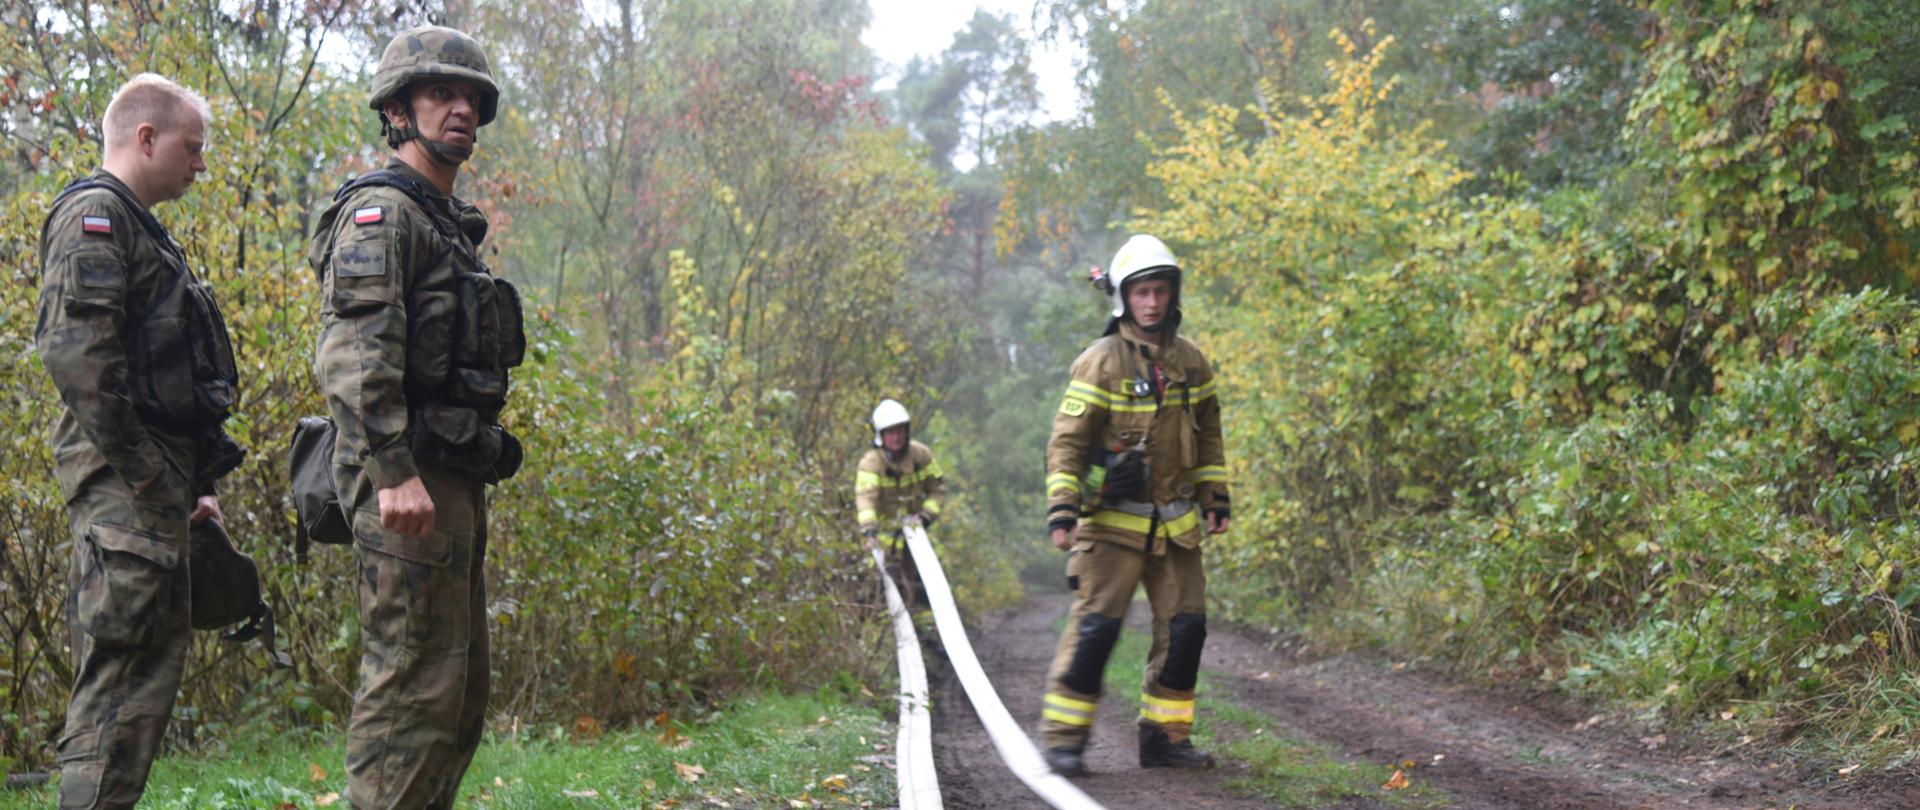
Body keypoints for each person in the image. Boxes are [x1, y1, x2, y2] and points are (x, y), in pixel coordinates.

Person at [307, 24, 525, 809]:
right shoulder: (382, 214)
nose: (461, 109)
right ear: (398, 109)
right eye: (441, 93)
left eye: (471, 97)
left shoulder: (443, 223)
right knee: (409, 693)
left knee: (455, 697)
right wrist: (392, 472)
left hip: (450, 481)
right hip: (408, 487)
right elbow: (353, 358)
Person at [36, 73, 245, 809]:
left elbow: (169, 382)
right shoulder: (96, 216)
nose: (201, 164)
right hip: (128, 503)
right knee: (117, 700)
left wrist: (194, 487)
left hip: (153, 500)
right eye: (193, 147)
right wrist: (153, 479)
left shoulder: (140, 228)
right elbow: (78, 360)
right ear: (146, 137)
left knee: (139, 700)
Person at [1037, 234, 1230, 776]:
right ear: (1124, 297)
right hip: (1112, 528)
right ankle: (1064, 742)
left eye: (1160, 291)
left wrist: (1215, 495)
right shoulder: (1099, 364)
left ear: (1173, 294)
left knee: (1186, 632)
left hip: (1178, 527)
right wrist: (1063, 510)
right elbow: (1067, 444)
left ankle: (1165, 741)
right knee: (1095, 633)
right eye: (1142, 292)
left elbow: (1209, 435)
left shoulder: (1192, 363)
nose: (1152, 302)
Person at [855, 398, 946, 610]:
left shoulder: (921, 455)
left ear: (907, 431)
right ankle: (882, 639)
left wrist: (924, 516)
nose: (896, 437)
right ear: (880, 436)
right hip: (883, 544)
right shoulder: (871, 463)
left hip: (916, 538)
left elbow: (937, 489)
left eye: (899, 431)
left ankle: (929, 639)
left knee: (923, 591)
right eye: (890, 432)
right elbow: (865, 498)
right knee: (878, 594)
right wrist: (869, 532)